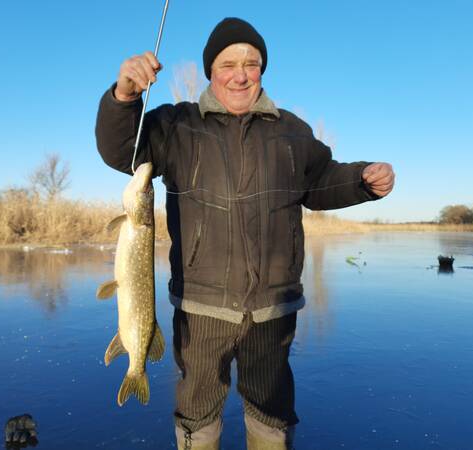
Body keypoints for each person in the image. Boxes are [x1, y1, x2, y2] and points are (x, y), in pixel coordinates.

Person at [96, 17, 394, 450]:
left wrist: (362, 180)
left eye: (251, 63)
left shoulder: (290, 131)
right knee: (197, 413)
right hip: (201, 308)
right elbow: (122, 149)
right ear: (210, 71)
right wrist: (124, 96)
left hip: (273, 308)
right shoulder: (176, 125)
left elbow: (321, 180)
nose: (240, 74)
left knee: (271, 414)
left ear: (262, 70)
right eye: (228, 63)